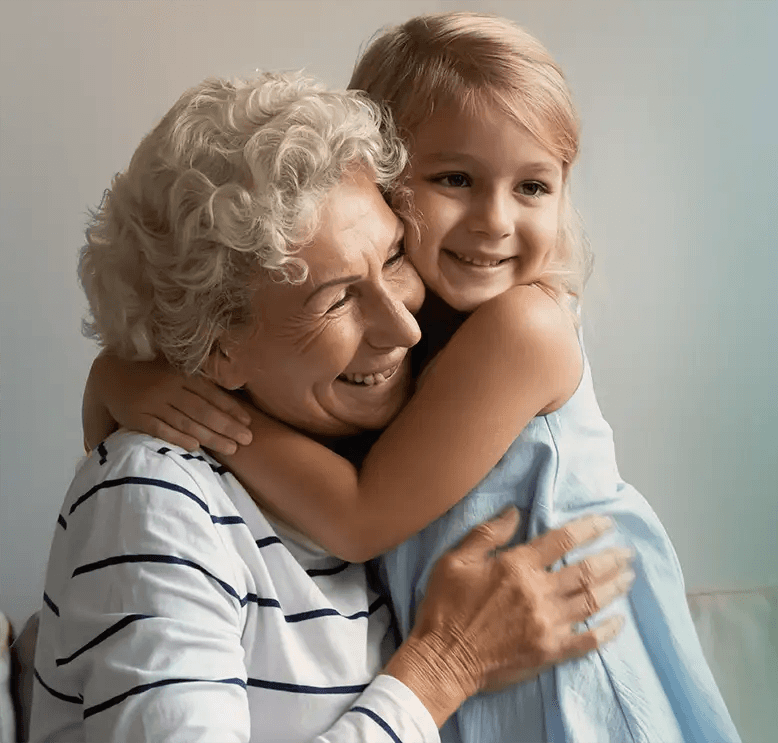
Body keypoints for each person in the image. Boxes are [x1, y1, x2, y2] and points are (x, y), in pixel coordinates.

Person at [85, 11, 741, 743]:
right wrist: (131, 380)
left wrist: (145, 389)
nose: (495, 220)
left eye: (533, 186)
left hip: (576, 680)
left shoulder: (523, 327)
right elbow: (141, 500)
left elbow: (360, 515)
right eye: (456, 178)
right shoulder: (395, 362)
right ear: (385, 185)